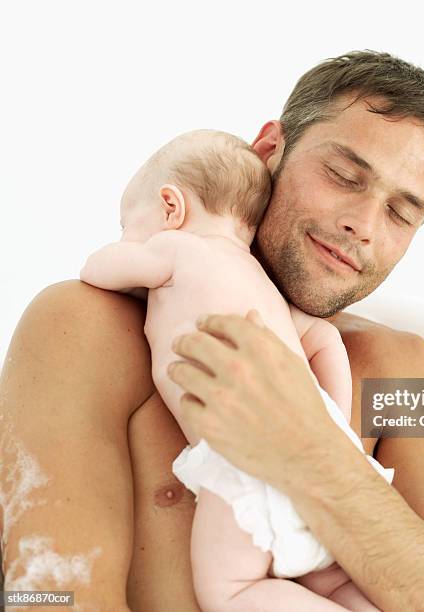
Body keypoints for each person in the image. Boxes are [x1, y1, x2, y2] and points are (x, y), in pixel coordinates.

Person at [0, 51, 424, 611]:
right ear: (269, 150)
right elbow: (48, 596)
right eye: (344, 176)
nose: (362, 226)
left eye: (400, 214)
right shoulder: (85, 328)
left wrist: (313, 450)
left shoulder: (401, 368)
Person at [79, 128, 392, 610]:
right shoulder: (260, 285)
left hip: (247, 456)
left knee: (231, 592)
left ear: (171, 207)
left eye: (128, 223)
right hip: (332, 464)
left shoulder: (178, 250)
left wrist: (118, 252)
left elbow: (99, 270)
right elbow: (324, 339)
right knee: (334, 581)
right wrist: (333, 429)